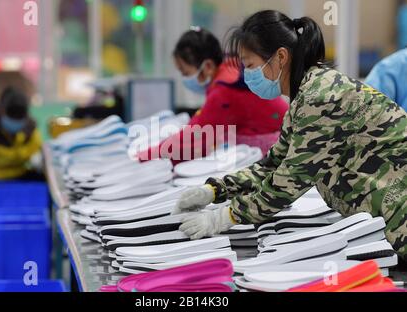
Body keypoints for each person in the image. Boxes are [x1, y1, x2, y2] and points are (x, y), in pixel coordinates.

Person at [175, 10, 407, 261]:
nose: (247, 75)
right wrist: (215, 189)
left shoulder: (320, 97)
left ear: (281, 57)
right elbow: (274, 164)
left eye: (250, 65)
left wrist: (225, 216)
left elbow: (288, 181)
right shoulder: (306, 95)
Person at [138, 27, 289, 165]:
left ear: (208, 66)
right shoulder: (230, 68)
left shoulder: (224, 91)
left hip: (277, 149)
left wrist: (146, 156)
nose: (185, 78)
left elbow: (194, 139)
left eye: (185, 72)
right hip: (281, 135)